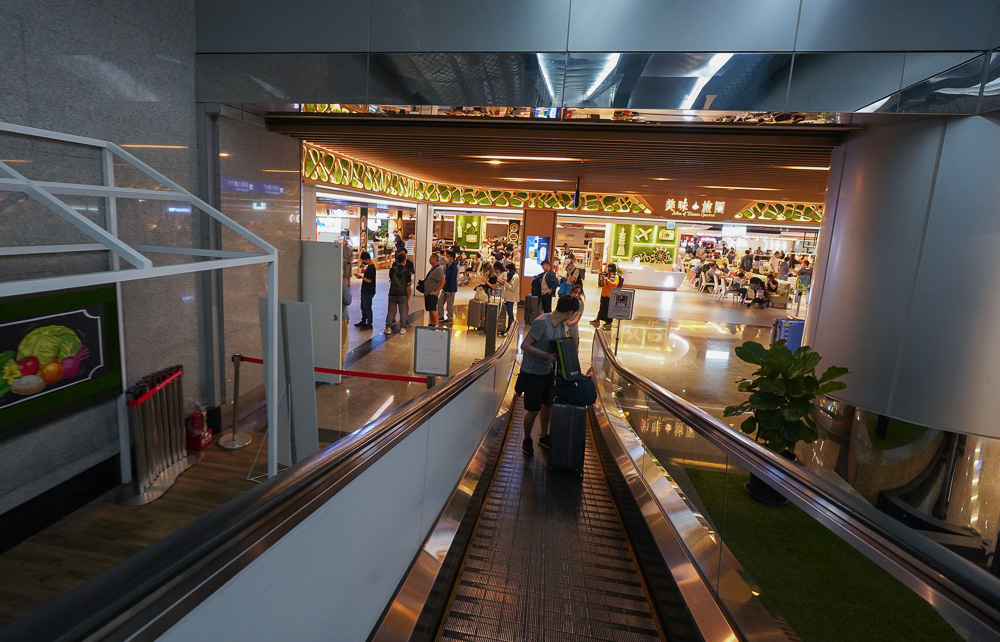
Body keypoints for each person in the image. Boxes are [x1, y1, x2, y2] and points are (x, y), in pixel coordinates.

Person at [518, 295, 580, 455]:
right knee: (533, 410)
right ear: (570, 312)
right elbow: (524, 345)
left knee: (548, 405)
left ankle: (544, 436)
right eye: (574, 313)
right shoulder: (542, 322)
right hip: (532, 372)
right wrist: (546, 355)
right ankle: (527, 439)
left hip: (547, 371)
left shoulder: (560, 325)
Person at [385, 253, 410, 334]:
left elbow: (391, 278)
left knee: (390, 311)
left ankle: (388, 327)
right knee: (402, 311)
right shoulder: (407, 271)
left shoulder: (392, 270)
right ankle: (402, 328)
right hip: (402, 294)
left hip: (392, 293)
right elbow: (408, 283)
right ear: (404, 261)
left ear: (396, 260)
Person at [592, 263, 621, 330]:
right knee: (602, 307)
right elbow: (603, 284)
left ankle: (608, 321)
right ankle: (598, 319)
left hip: (610, 295)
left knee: (608, 308)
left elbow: (614, 285)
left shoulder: (615, 276)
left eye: (609, 268)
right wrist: (602, 280)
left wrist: (607, 280)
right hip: (604, 294)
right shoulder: (608, 275)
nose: (608, 269)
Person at [354, 251, 375, 330]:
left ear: (366, 259)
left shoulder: (372, 268)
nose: (363, 262)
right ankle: (363, 321)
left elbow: (369, 280)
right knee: (363, 306)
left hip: (368, 291)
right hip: (365, 290)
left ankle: (369, 324)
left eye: (363, 260)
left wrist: (361, 277)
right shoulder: (369, 267)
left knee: (367, 307)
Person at [423, 253, 445, 327]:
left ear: (435, 259)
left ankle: (437, 324)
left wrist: (436, 291)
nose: (429, 259)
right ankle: (432, 323)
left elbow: (443, 281)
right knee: (430, 309)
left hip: (432, 294)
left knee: (433, 309)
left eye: (431, 258)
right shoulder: (433, 268)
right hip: (428, 293)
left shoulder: (438, 269)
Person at [438, 250, 459, 324]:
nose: (446, 258)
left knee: (449, 304)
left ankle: (450, 318)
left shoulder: (454, 268)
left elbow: (452, 279)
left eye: (447, 257)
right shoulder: (447, 266)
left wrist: (449, 291)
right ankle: (440, 316)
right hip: (445, 287)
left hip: (450, 289)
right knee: (440, 302)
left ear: (451, 258)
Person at [499, 262, 519, 336]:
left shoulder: (515, 277)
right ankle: (509, 328)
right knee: (509, 313)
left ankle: (510, 328)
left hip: (511, 298)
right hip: (508, 297)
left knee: (510, 314)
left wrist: (505, 283)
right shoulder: (512, 276)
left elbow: (512, 288)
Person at [398, 248, 416, 327]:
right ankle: (393, 319)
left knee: (405, 303)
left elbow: (411, 273)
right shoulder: (395, 264)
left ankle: (405, 319)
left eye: (403, 254)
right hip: (396, 286)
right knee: (394, 303)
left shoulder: (409, 263)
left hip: (406, 286)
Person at [565, 284, 585, 349]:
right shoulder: (565, 301)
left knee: (575, 345)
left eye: (579, 293)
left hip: (573, 324)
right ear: (571, 292)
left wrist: (570, 323)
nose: (576, 295)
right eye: (575, 292)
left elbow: (577, 318)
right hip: (563, 324)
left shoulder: (581, 304)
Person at [341, 271, 352, 367]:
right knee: (343, 343)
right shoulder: (342, 285)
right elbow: (348, 300)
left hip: (328, 318)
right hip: (342, 317)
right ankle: (340, 367)